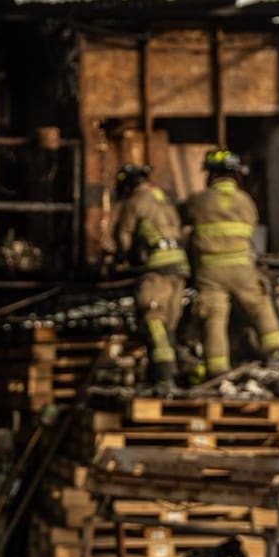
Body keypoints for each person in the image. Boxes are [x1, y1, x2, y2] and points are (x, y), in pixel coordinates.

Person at [184, 150, 279, 377]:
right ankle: (276, 352)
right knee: (260, 307)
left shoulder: (199, 201)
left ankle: (217, 370)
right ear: (236, 175)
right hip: (242, 268)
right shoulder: (245, 201)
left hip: (210, 271)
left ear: (210, 175)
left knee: (214, 319)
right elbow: (251, 227)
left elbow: (183, 221)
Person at [112, 163, 191, 393]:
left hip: (157, 269)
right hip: (179, 268)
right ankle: (176, 375)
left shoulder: (136, 202)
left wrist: (123, 258)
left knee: (153, 318)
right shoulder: (164, 198)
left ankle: (163, 378)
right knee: (169, 324)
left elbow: (124, 235)